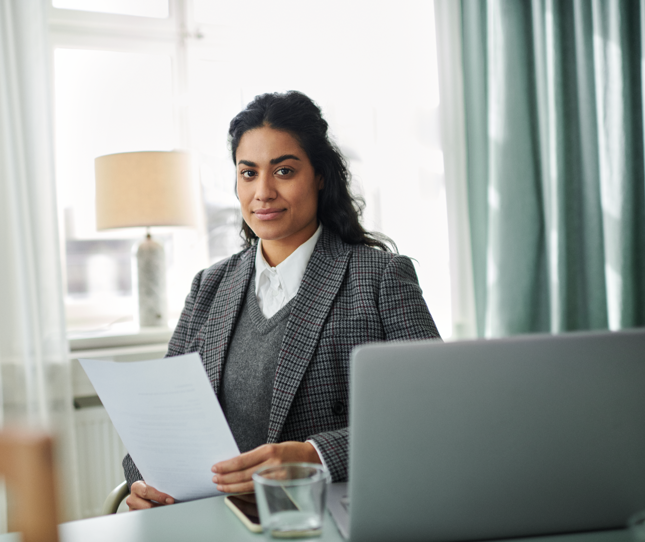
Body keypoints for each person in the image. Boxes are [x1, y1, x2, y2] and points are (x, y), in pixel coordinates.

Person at [124, 91, 440, 510]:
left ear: (320, 176)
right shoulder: (209, 286)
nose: (264, 192)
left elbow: (433, 414)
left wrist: (313, 455)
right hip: (215, 521)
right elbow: (158, 427)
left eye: (284, 171)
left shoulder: (379, 277)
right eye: (248, 173)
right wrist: (147, 483)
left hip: (328, 519)